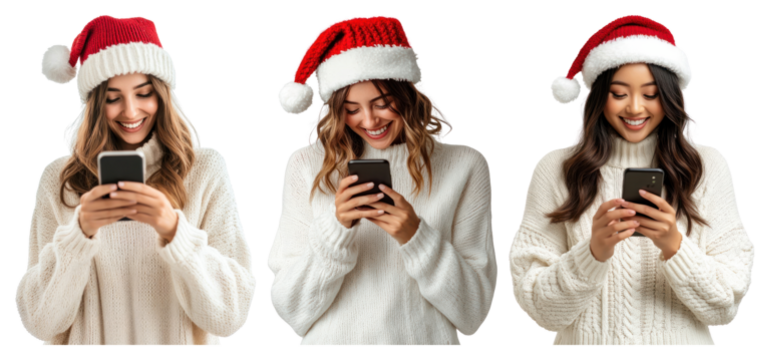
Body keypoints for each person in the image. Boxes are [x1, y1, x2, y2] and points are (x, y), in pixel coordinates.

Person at [509, 14, 756, 347]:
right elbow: (538, 307)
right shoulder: (556, 169)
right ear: (598, 97)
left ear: (670, 98)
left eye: (651, 94)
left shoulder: (707, 166)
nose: (636, 108)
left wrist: (674, 245)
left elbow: (726, 306)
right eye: (619, 93)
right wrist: (593, 251)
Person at [19, 14, 256, 347]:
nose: (131, 112)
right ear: (95, 106)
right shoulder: (58, 179)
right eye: (114, 98)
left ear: (162, 95)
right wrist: (78, 236)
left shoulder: (204, 170)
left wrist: (174, 230)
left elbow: (230, 317)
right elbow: (39, 322)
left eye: (144, 93)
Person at [267, 14, 497, 347]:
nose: (369, 120)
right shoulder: (306, 164)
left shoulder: (464, 165)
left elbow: (473, 314)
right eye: (351, 108)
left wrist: (415, 235)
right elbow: (292, 311)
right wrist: (336, 228)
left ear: (408, 95)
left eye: (382, 103)